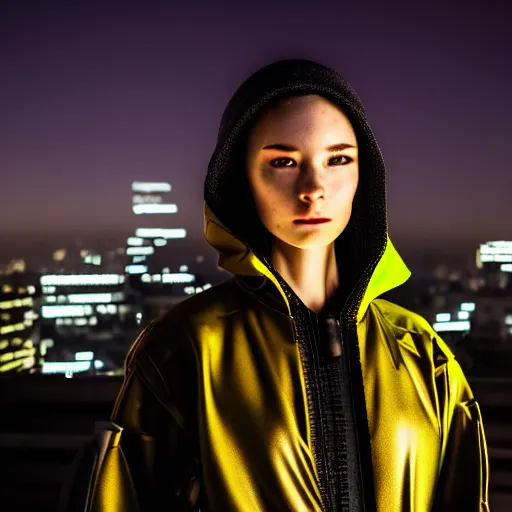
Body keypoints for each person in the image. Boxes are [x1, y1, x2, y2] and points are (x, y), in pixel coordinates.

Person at [92, 59, 490, 511]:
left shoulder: (422, 351)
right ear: (241, 179)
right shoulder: (183, 348)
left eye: (338, 159)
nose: (314, 186)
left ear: (365, 175)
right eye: (283, 161)